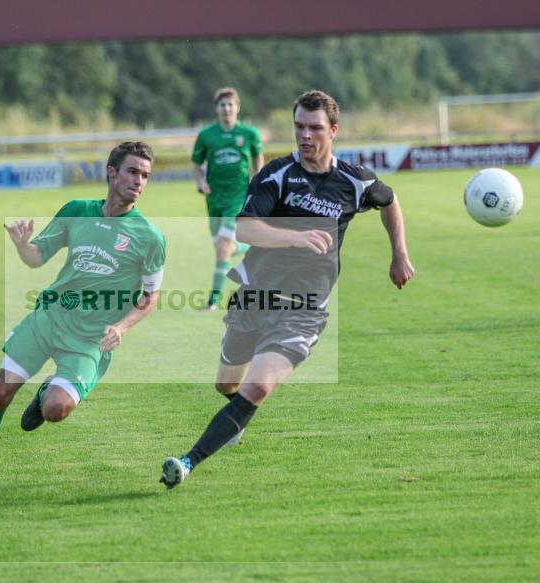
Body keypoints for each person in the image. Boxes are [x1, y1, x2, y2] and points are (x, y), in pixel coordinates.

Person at [161, 90, 415, 489]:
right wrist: (294, 237)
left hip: (305, 309)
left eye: (315, 128)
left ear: (333, 130)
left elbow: (390, 200)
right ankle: (235, 420)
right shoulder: (276, 175)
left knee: (258, 386)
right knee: (226, 385)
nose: (305, 135)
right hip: (255, 297)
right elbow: (244, 228)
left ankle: (187, 462)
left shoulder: (354, 180)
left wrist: (399, 255)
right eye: (299, 127)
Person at [0, 142, 166, 489]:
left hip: (90, 339)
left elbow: (151, 297)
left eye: (145, 175)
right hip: (49, 319)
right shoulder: (77, 210)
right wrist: (23, 245)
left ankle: (44, 394)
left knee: (55, 410)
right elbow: (37, 258)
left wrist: (122, 327)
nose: (139, 181)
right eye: (132, 171)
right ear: (112, 172)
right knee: (0, 394)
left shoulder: (150, 237)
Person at [191, 87, 264, 311]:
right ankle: (255, 244)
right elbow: (196, 164)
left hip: (237, 197)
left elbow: (258, 158)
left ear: (237, 107)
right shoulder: (206, 135)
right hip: (214, 199)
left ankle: (212, 301)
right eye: (222, 105)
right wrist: (200, 182)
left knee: (223, 247)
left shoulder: (249, 134)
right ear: (217, 108)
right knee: (223, 248)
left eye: (230, 104)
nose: (227, 109)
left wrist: (258, 181)